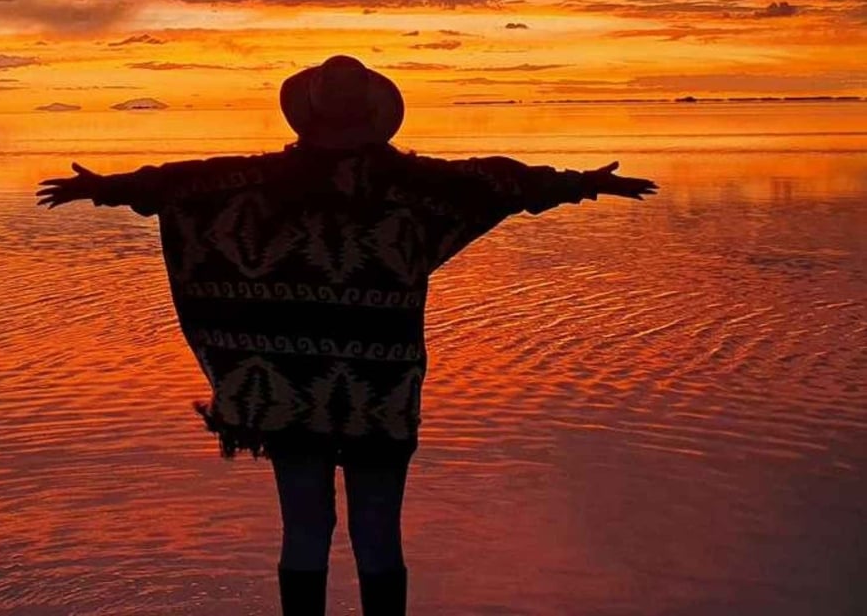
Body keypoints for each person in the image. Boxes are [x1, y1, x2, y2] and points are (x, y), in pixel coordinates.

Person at [36, 55, 657, 616]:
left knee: (305, 526)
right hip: (380, 384)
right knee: (378, 528)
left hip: (287, 386)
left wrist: (105, 188)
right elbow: (499, 181)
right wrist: (584, 183)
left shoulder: (259, 183)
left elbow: (180, 184)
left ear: (307, 116)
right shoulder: (416, 189)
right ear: (374, 117)